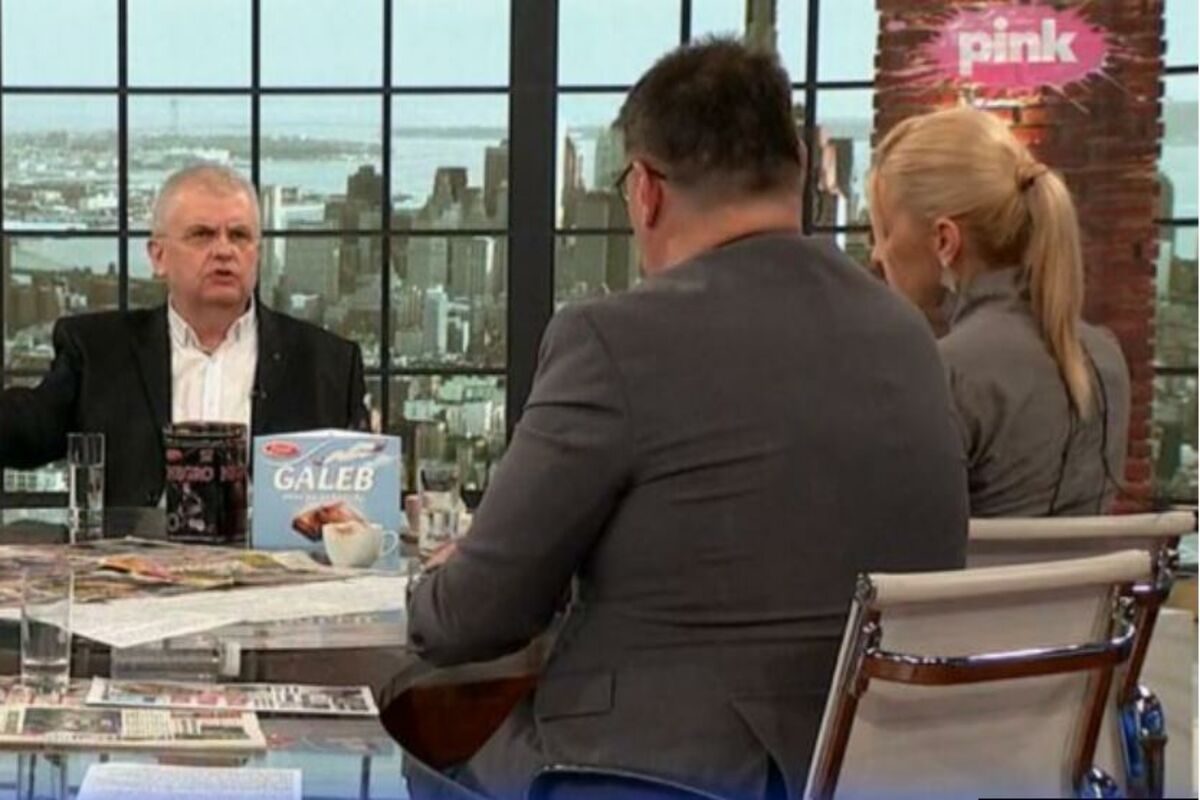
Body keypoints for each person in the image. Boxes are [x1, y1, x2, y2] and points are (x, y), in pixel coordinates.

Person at [401, 39, 967, 800]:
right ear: (799, 166)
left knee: (417, 757)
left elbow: (471, 619)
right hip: (867, 772)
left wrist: (427, 584)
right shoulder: (908, 336)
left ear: (645, 191)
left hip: (644, 776)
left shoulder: (614, 339)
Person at [0, 163, 368, 507]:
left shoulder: (329, 363)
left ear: (257, 255)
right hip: (134, 553)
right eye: (202, 235)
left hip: (274, 556)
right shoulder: (98, 350)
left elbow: (362, 495)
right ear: (158, 256)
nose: (224, 250)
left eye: (239, 235)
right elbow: (27, 432)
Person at [867, 106, 1131, 516]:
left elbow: (883, 529)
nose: (877, 254)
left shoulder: (945, 373)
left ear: (944, 241)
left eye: (885, 231)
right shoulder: (1107, 360)